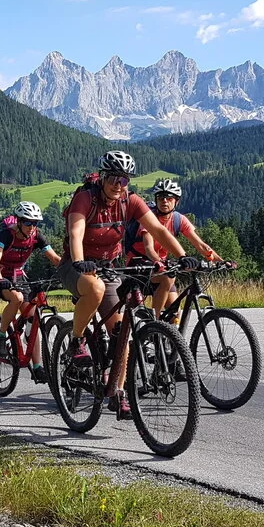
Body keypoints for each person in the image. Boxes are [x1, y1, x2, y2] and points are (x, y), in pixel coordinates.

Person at [56, 151, 191, 419]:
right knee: (93, 289)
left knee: (121, 332)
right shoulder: (86, 198)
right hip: (75, 264)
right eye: (114, 178)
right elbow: (76, 232)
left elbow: (159, 230)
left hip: (108, 267)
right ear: (103, 177)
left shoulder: (130, 200)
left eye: (125, 180)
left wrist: (182, 255)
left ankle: (118, 393)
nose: (119, 184)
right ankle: (76, 340)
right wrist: (80, 261)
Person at [0, 200, 63, 383]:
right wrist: (0, 279)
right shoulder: (5, 235)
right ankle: (1, 336)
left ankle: (37, 366)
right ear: (18, 221)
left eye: (35, 223)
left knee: (33, 319)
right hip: (0, 274)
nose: (32, 227)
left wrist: (71, 268)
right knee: (16, 298)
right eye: (28, 222)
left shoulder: (36, 236)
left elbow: (54, 258)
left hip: (19, 276)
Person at [124, 179, 222, 316]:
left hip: (162, 268)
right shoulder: (149, 218)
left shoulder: (178, 219)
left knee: (175, 313)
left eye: (169, 198)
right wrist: (160, 262)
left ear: (177, 201)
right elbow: (149, 248)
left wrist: (220, 261)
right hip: (139, 264)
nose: (164, 201)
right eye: (160, 198)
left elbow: (200, 244)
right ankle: (154, 322)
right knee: (167, 278)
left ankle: (163, 327)